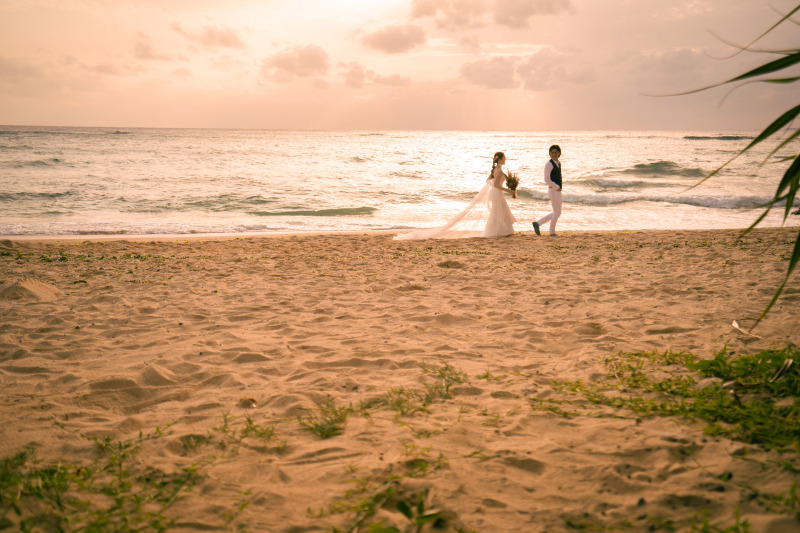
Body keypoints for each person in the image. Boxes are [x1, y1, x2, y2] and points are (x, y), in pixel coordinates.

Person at [394, 152, 517, 240]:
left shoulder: (496, 169)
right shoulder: (499, 170)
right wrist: (509, 191)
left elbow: (488, 181)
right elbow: (495, 185)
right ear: (500, 159)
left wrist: (509, 185)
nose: (505, 159)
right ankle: (496, 232)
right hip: (496, 194)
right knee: (497, 213)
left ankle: (503, 231)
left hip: (495, 195)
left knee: (500, 212)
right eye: (504, 157)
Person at [532, 145, 562, 237]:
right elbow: (546, 179)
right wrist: (556, 187)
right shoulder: (549, 164)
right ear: (549, 154)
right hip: (553, 190)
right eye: (552, 153)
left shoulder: (558, 163)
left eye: (555, 152)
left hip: (557, 190)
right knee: (557, 212)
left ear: (559, 153)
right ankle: (552, 232)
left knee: (556, 212)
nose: (554, 154)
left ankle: (538, 223)